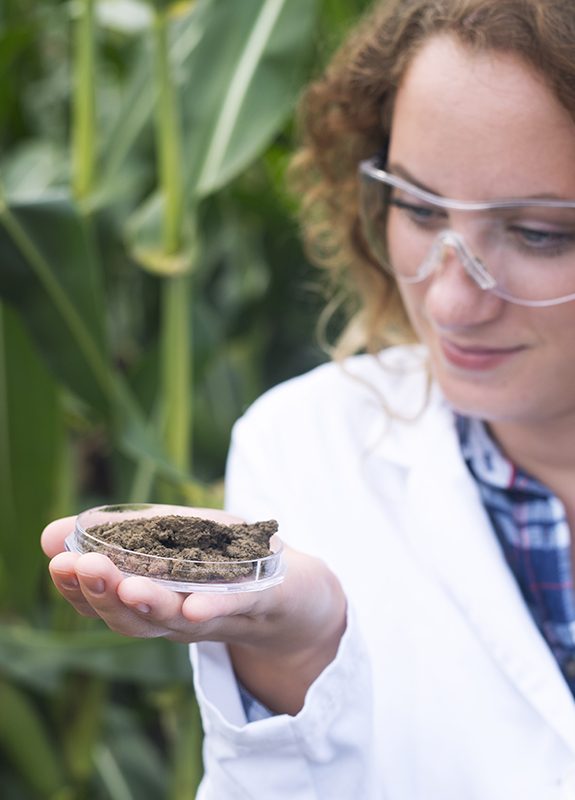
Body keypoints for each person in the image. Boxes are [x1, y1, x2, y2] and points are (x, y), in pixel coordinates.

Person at [41, 0, 575, 796]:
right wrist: (294, 654)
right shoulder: (302, 447)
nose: (452, 303)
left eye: (537, 232)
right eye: (419, 209)